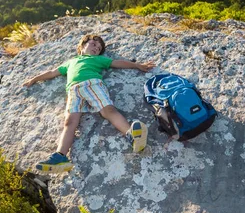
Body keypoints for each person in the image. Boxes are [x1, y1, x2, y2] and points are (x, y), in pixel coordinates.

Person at [23, 34, 155, 172]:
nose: (96, 48)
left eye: (98, 48)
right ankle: (60, 157)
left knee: (108, 111)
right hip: (73, 91)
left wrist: (137, 65)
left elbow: (117, 63)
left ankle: (133, 136)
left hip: (92, 84)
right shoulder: (70, 62)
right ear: (81, 47)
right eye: (93, 44)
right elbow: (52, 72)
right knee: (69, 122)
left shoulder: (97, 59)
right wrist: (34, 79)